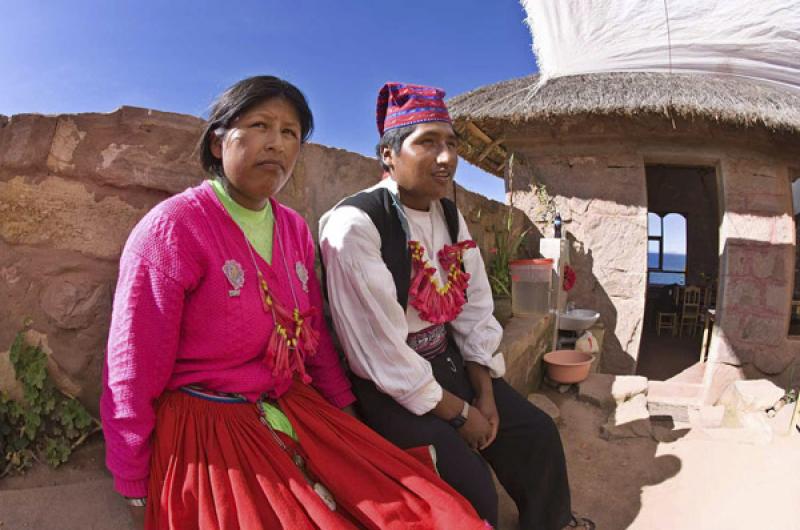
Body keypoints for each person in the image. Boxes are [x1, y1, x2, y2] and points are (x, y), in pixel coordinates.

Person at [101, 76, 491, 530]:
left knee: (429, 511)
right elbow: (132, 365)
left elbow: (315, 337)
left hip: (293, 404)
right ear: (217, 142)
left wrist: (347, 419)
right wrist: (133, 479)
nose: (277, 144)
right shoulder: (173, 229)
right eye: (261, 126)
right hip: (209, 425)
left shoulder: (292, 228)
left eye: (290, 133)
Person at [319, 82, 594, 530]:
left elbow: (473, 306)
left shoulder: (448, 214)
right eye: (427, 142)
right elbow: (381, 355)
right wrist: (462, 415)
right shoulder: (355, 226)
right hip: (389, 387)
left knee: (535, 435)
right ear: (388, 156)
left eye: (451, 143)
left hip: (447, 365)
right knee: (472, 491)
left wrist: (484, 395)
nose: (446, 158)